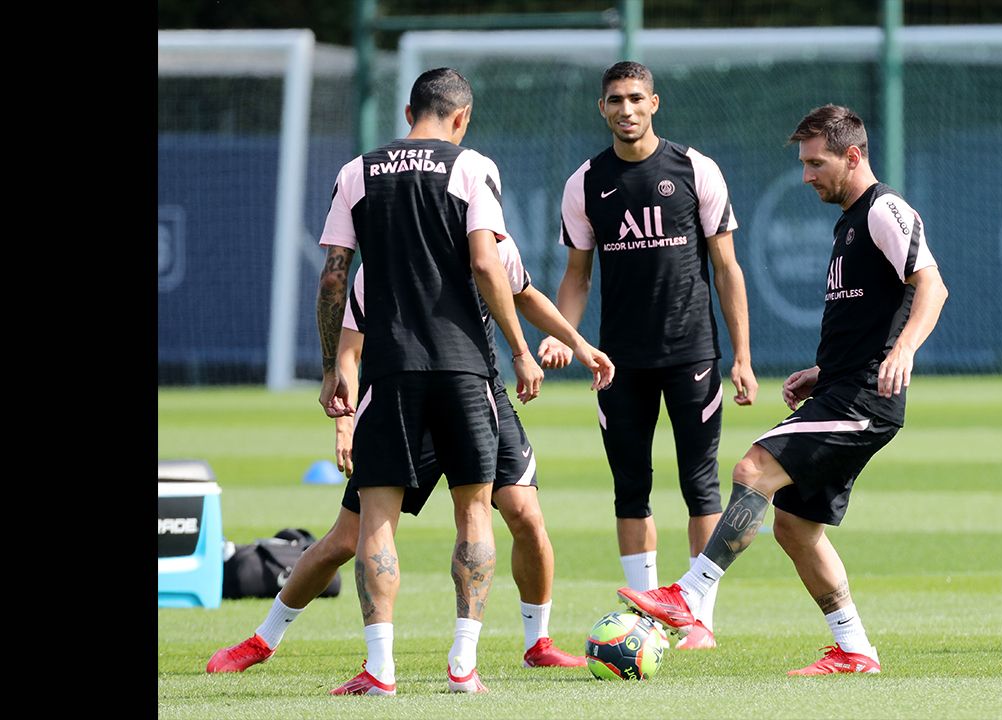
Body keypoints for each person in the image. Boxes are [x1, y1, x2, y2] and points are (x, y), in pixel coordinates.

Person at [618, 103, 948, 675]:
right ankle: (855, 649)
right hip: (843, 387)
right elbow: (870, 313)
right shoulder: (849, 220)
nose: (806, 175)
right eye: (803, 163)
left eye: (816, 163)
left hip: (866, 399)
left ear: (853, 156)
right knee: (795, 527)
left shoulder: (885, 209)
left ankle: (688, 595)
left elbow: (932, 286)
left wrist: (903, 352)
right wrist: (825, 369)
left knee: (752, 470)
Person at [313, 68, 612, 696]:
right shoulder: (472, 167)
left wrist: (329, 369)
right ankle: (462, 665)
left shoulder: (356, 172)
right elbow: (485, 262)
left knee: (377, 520)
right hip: (465, 367)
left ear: (407, 112)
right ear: (462, 117)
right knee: (475, 511)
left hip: (389, 368)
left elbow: (335, 279)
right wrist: (521, 353)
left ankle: (380, 669)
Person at [206, 245, 601, 682]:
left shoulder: (491, 245)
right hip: (404, 401)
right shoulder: (384, 261)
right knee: (344, 539)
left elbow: (525, 293)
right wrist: (346, 422)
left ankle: (537, 643)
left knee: (525, 514)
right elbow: (350, 351)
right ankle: (264, 639)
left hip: (477, 394)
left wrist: (578, 344)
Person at [538, 61, 758, 650]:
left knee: (701, 485)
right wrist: (564, 335)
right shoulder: (584, 182)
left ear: (654, 103)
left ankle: (697, 619)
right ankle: (649, 620)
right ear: (602, 108)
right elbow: (577, 276)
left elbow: (727, 267)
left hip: (693, 353)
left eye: (636, 98)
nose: (626, 109)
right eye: (615, 100)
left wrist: (742, 355)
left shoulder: (695, 168)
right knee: (630, 488)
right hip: (619, 362)